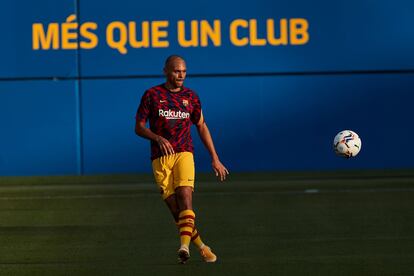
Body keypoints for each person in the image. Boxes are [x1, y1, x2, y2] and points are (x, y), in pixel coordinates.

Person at [135, 55, 229, 264]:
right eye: (177, 71)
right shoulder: (152, 95)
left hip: (184, 153)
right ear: (166, 71)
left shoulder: (191, 97)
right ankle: (202, 247)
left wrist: (215, 158)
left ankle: (184, 246)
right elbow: (139, 127)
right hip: (160, 159)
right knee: (176, 211)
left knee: (186, 197)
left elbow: (202, 126)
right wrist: (157, 138)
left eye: (184, 71)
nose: (181, 75)